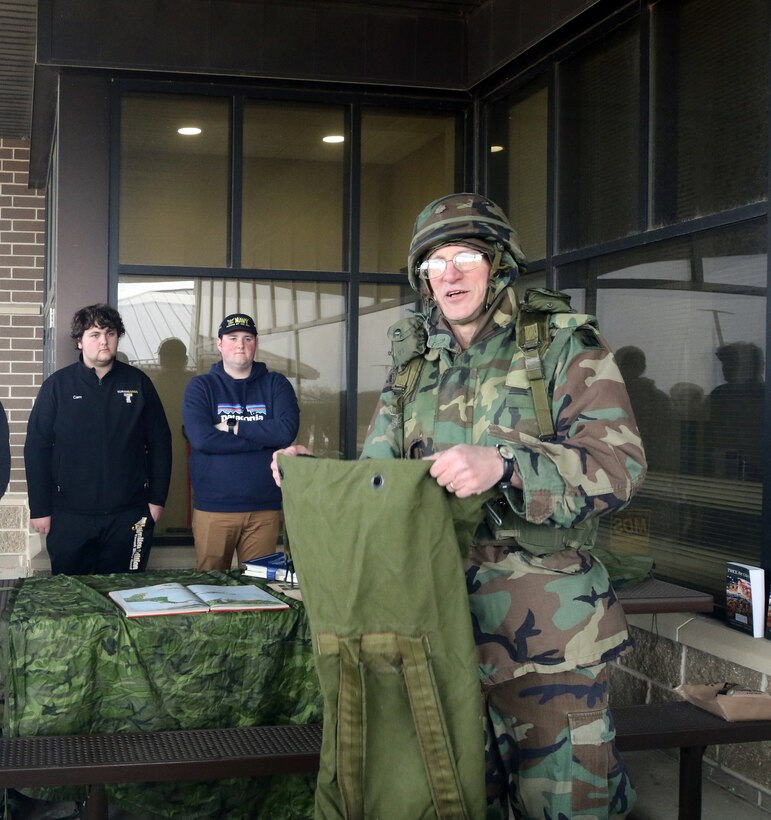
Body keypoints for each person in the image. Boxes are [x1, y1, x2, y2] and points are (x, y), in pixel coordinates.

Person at [273, 193, 647, 819]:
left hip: (548, 638)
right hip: (439, 632)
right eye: (434, 262)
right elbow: (381, 482)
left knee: (567, 806)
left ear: (498, 262)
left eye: (465, 256)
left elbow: (620, 468)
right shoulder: (413, 363)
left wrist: (504, 465)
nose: (448, 273)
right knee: (458, 802)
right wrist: (314, 477)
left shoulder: (559, 345)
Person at [24, 303, 172, 575]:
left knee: (126, 595)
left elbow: (160, 443)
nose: (104, 340)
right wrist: (40, 508)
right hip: (69, 516)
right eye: (94, 334)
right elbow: (37, 448)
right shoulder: (57, 387)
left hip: (130, 515)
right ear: (79, 341)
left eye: (110, 333)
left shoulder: (139, 384)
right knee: (71, 597)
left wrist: (156, 501)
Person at [182, 312, 300, 570]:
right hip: (214, 508)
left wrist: (231, 427)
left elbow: (285, 431)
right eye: (233, 338)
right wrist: (263, 438)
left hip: (264, 509)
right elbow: (202, 438)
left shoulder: (275, 384)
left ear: (255, 343)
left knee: (260, 590)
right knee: (212, 589)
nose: (240, 345)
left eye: (247, 338)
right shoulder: (201, 387)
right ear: (219, 343)